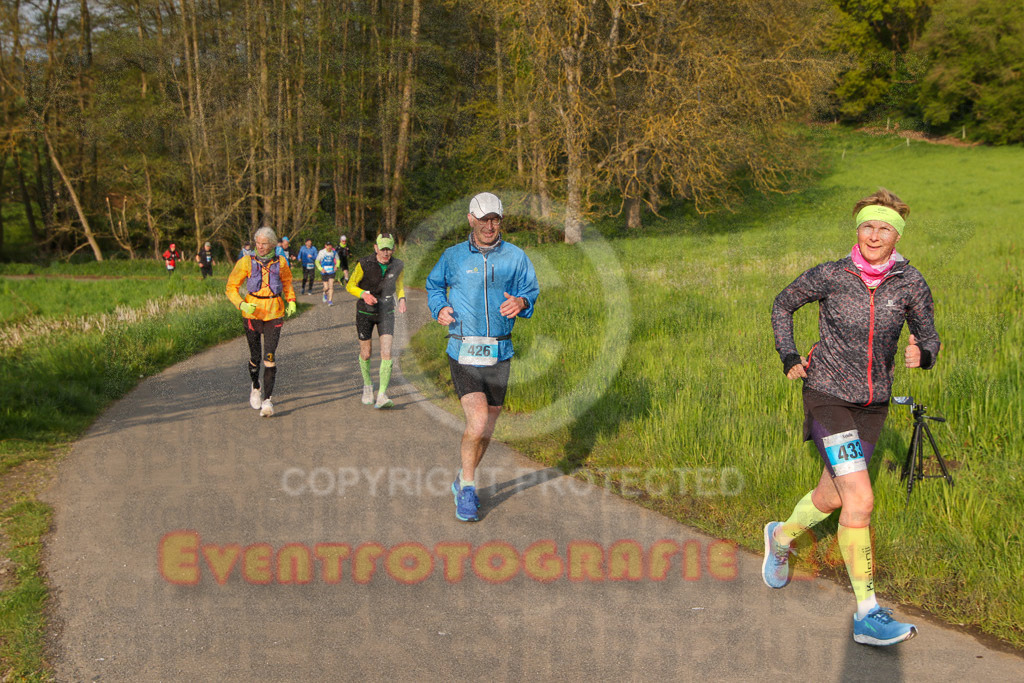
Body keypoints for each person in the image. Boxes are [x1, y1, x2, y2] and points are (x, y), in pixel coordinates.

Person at [764, 188, 940, 646]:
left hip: (873, 404)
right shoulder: (831, 274)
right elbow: (782, 304)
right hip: (827, 395)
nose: (874, 235)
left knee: (832, 496)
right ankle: (867, 613)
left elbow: (929, 336)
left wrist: (923, 355)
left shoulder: (910, 282)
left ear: (897, 235)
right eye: (867, 226)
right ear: (858, 230)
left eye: (884, 228)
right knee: (860, 499)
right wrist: (789, 355)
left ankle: (780, 538)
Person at [425, 193, 539, 522]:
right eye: (484, 219)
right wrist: (439, 307)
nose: (490, 226)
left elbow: (530, 290)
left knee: (487, 426)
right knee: (476, 420)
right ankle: (468, 489)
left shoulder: (515, 256)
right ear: (471, 219)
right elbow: (434, 285)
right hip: (463, 348)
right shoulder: (453, 256)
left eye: (495, 219)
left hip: (500, 349)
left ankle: (463, 477)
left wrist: (522, 302)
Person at [225, 225, 297, 417]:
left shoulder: (281, 262)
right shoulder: (246, 262)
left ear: (272, 244)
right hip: (253, 314)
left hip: (274, 312)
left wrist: (291, 300)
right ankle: (255, 386)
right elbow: (231, 287)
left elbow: (287, 283)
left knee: (270, 358)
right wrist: (241, 304)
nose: (260, 246)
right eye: (258, 243)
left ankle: (267, 401)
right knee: (255, 357)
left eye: (264, 243)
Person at [346, 234, 406, 408]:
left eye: (389, 249)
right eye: (382, 248)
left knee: (386, 352)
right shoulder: (364, 264)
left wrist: (402, 299)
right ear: (376, 248)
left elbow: (399, 285)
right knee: (366, 353)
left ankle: (382, 395)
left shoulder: (398, 265)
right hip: (365, 312)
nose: (386, 252)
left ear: (393, 249)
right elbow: (350, 285)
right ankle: (367, 386)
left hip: (386, 311)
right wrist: (363, 294)